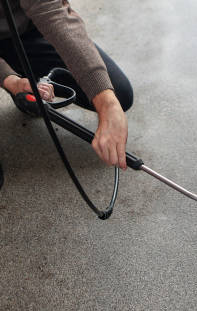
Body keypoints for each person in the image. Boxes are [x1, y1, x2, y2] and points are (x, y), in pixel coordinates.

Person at [0, 0, 133, 191]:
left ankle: (26, 79)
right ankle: (17, 78)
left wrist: (106, 101)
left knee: (118, 94)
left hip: (26, 30)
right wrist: (9, 79)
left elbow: (52, 12)